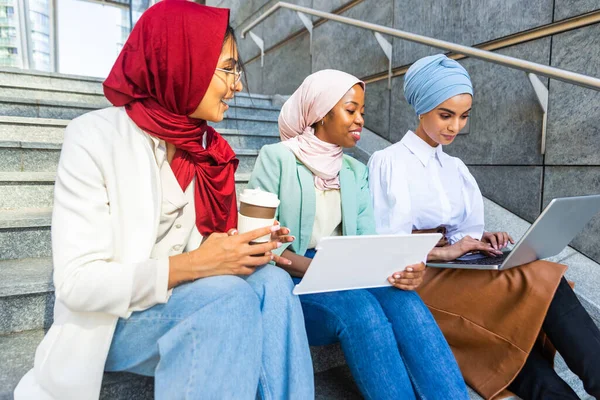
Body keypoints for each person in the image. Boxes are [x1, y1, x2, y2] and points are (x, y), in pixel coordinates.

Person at [14, 2, 314, 399]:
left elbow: (205, 253)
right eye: (227, 68)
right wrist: (195, 264)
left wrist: (241, 249)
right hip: (111, 322)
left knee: (274, 283)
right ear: (181, 60)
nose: (238, 85)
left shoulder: (204, 148)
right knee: (228, 299)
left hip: (190, 301)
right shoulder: (93, 138)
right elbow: (77, 284)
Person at [368, 53, 600, 400]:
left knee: (545, 280)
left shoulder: (456, 167)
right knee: (543, 279)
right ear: (421, 108)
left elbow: (465, 233)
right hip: (419, 282)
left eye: (463, 116)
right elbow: (388, 249)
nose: (455, 126)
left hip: (458, 271)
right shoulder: (388, 162)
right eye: (445, 115)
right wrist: (449, 249)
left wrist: (479, 241)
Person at [247, 69, 469, 400]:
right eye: (351, 110)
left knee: (404, 299)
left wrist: (405, 268)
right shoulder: (276, 159)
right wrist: (320, 269)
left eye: (362, 112)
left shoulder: (354, 171)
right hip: (290, 279)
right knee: (361, 309)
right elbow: (256, 241)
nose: (360, 120)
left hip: (343, 270)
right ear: (321, 113)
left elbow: (367, 241)